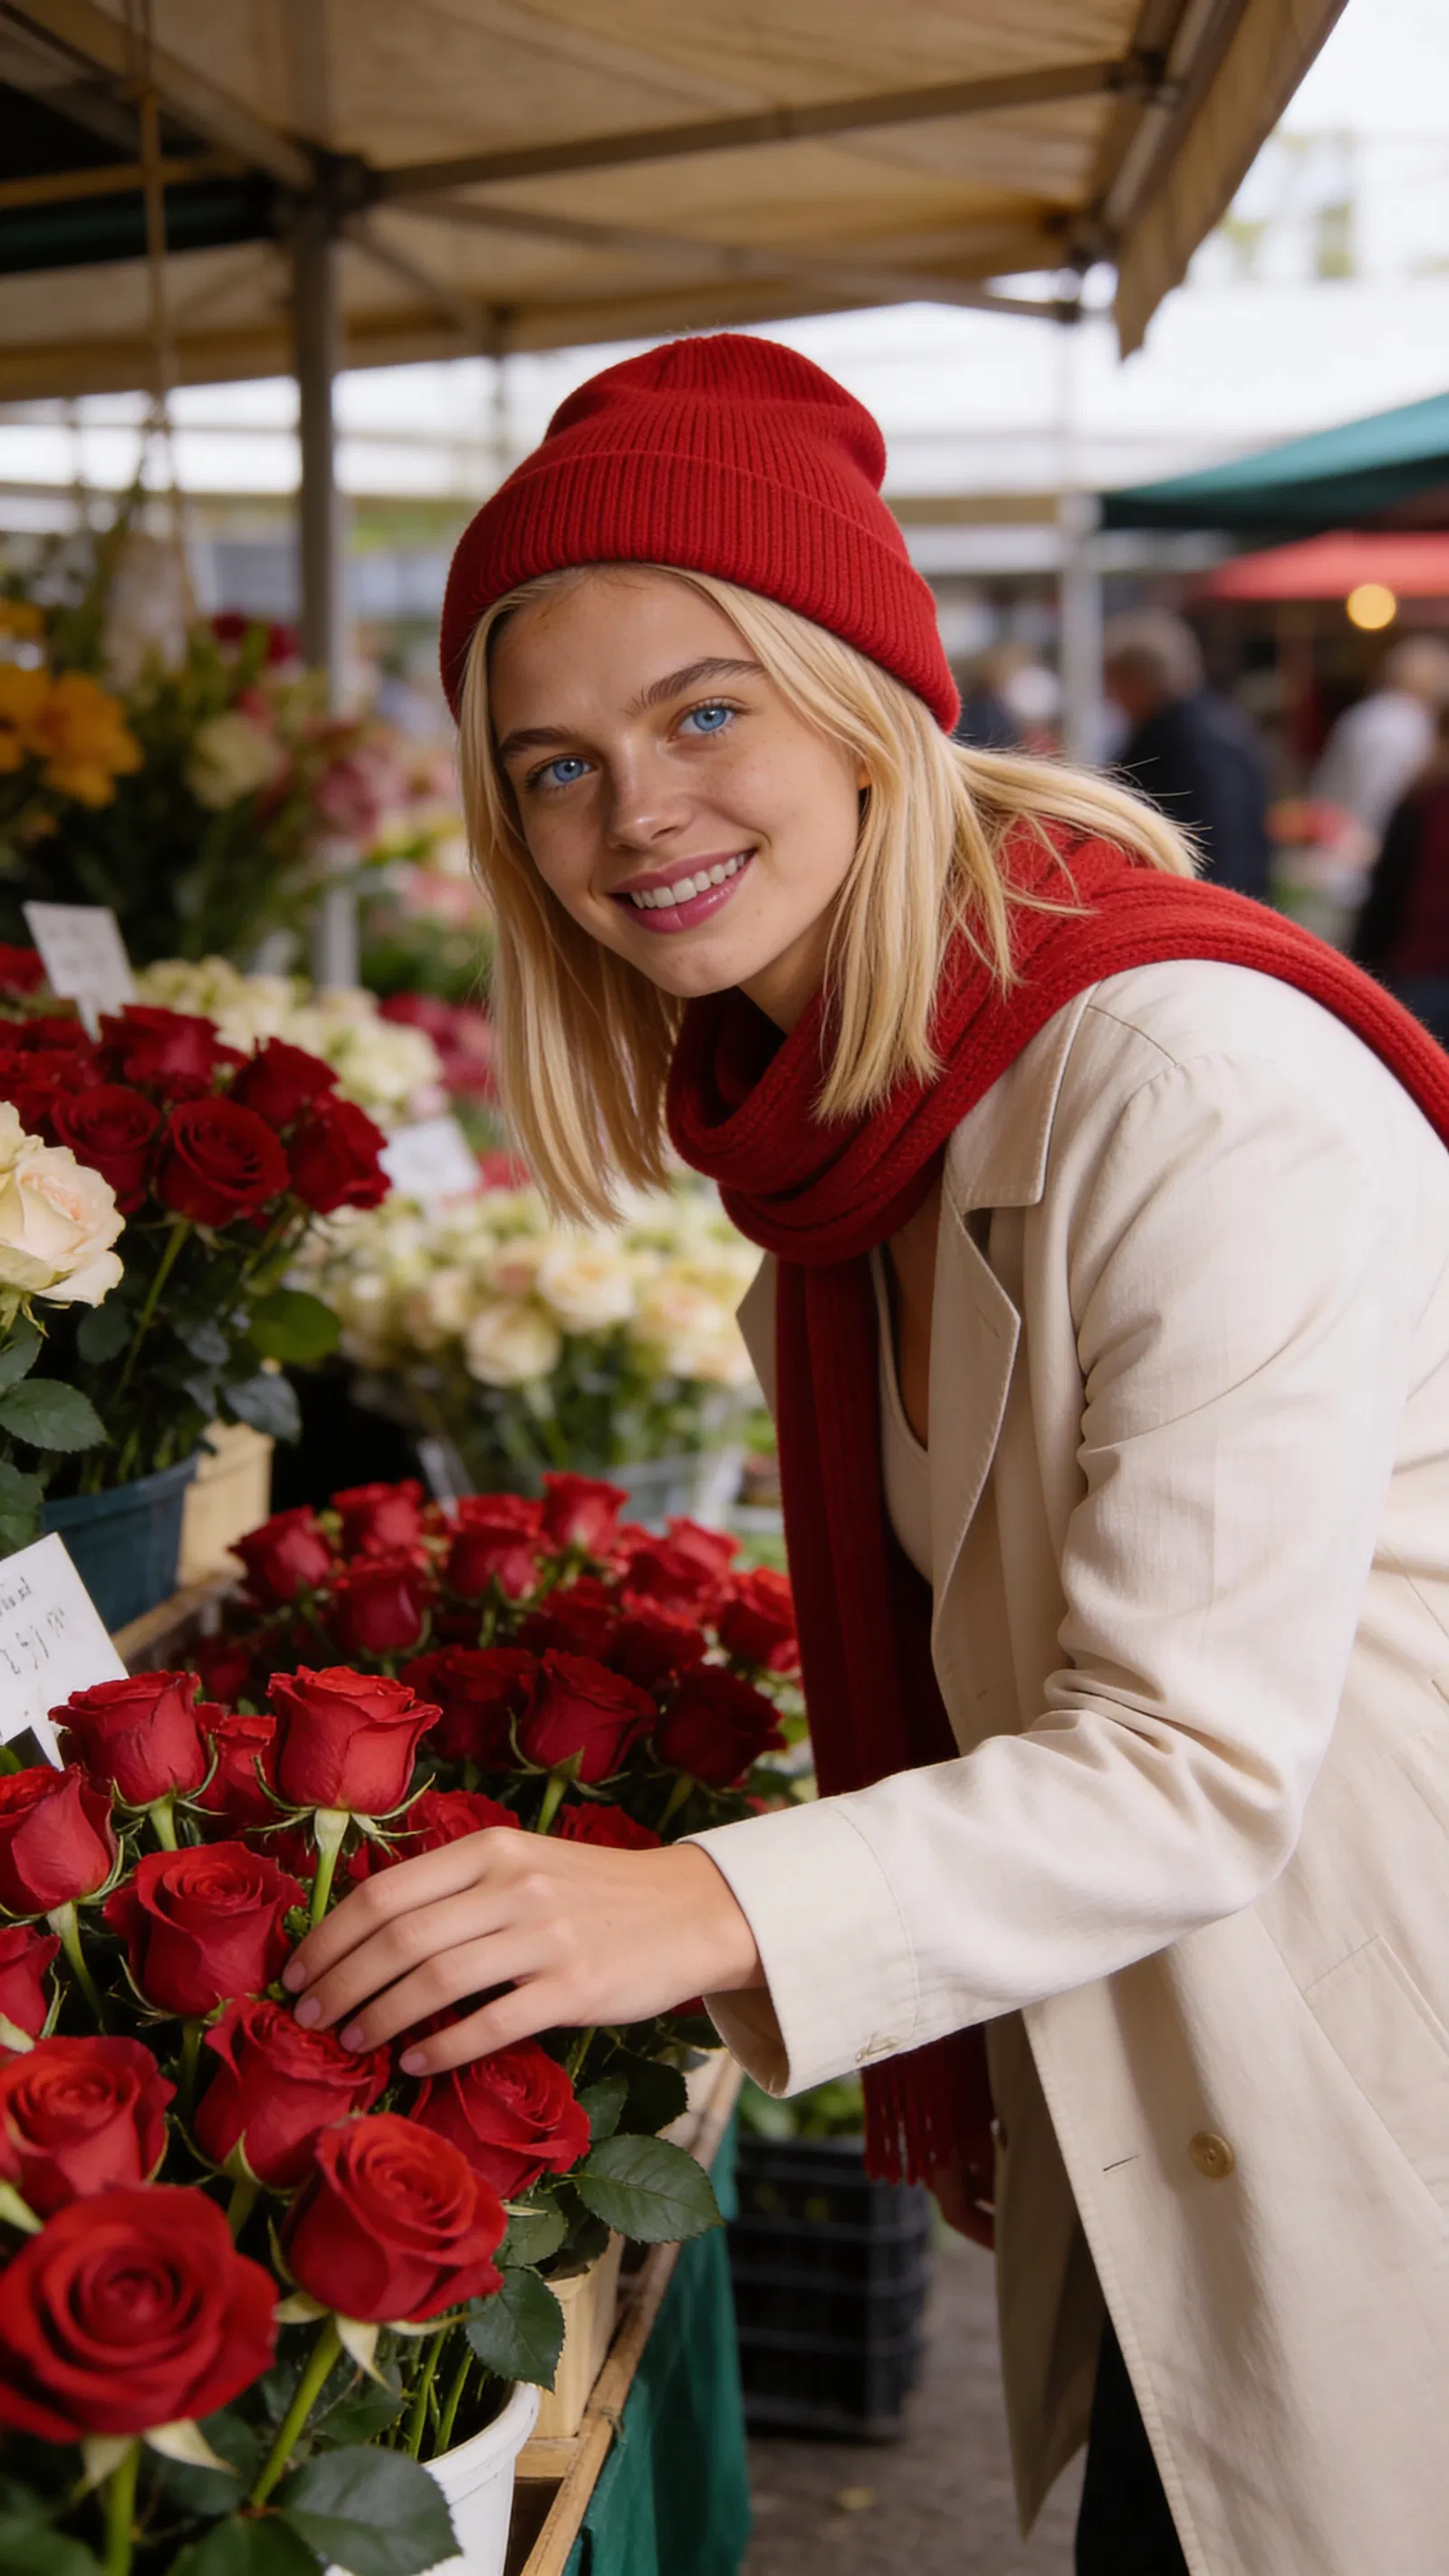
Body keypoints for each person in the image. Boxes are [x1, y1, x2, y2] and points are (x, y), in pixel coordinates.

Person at [284, 337, 1449, 2576]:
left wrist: (682, 1903)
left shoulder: (1180, 1079)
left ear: (863, 697)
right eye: (553, 762)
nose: (631, 812)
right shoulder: (860, 1127)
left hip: (1363, 2069)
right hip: (1179, 2072)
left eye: (700, 709)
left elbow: (1181, 1761)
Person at [1104, 609, 1271, 899]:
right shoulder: (1204, 724)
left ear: (1136, 680)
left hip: (1205, 907)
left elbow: (1221, 845)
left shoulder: (1192, 741)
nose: (1110, 697)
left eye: (1113, 683)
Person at [1353, 699, 1449, 1042]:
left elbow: (1385, 895)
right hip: (1420, 971)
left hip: (1418, 970)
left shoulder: (1421, 801)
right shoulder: (1421, 803)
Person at [1313, 633, 1449, 862]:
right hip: (1359, 851)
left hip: (1337, 840)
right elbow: (1381, 798)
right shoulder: (1404, 723)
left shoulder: (1368, 713)